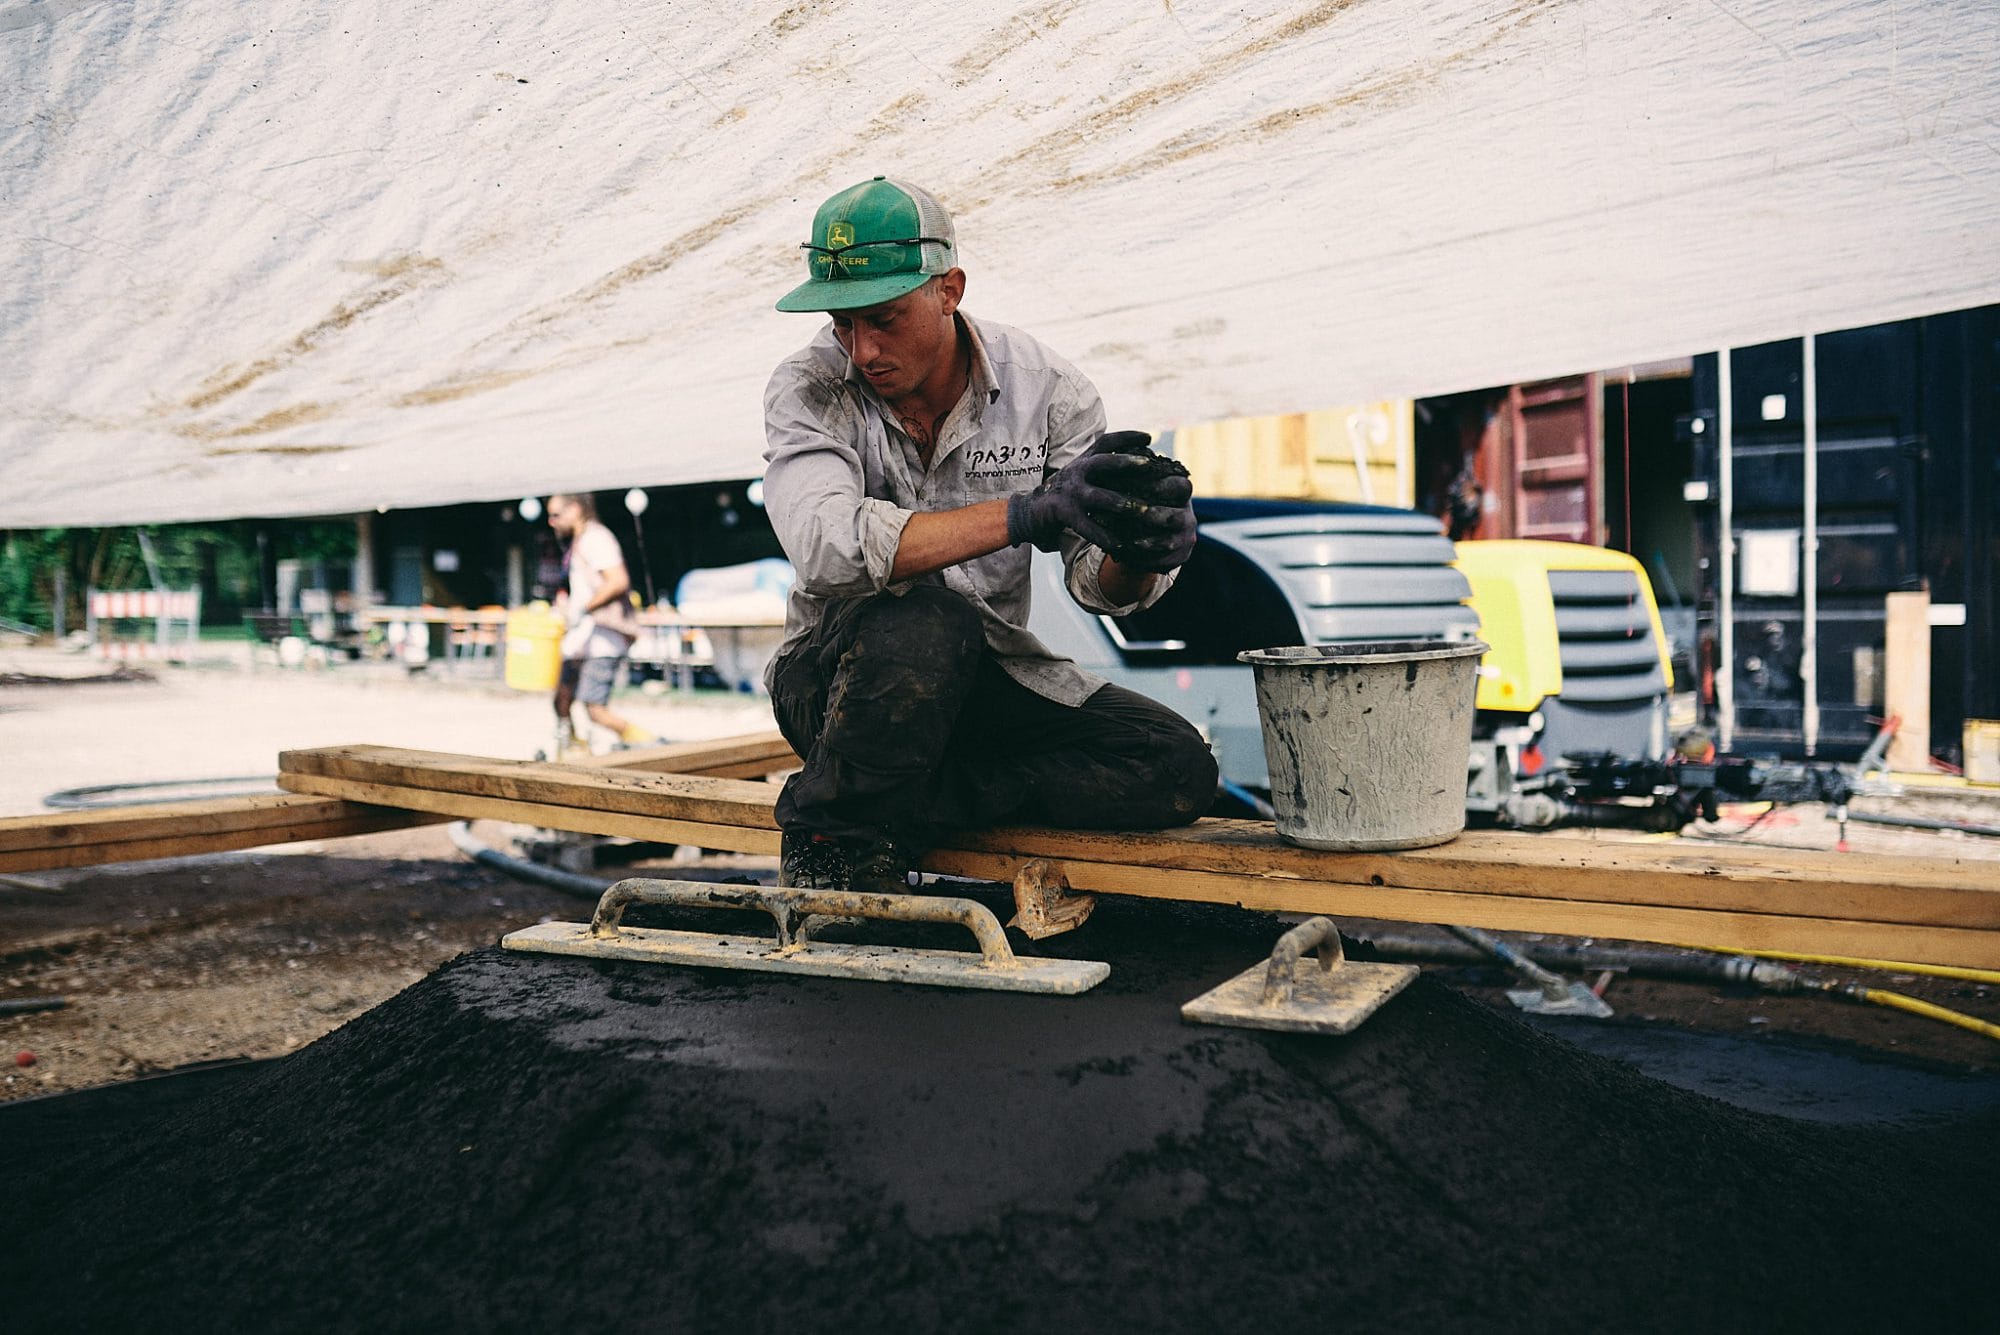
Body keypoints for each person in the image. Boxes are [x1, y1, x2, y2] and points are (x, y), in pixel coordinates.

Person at [762, 175, 1217, 894]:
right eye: (843, 324)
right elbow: (827, 547)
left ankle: (906, 802)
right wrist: (1024, 512)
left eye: (883, 318)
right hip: (833, 685)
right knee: (925, 617)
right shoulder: (809, 387)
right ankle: (833, 847)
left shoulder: (1048, 388)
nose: (862, 349)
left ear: (949, 289)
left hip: (986, 677)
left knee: (1175, 764)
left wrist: (1133, 551)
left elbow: (1096, 578)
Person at [545, 492, 658, 756]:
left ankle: (650, 743)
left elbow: (618, 581)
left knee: (594, 708)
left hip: (602, 639)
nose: (551, 522)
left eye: (556, 514)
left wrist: (582, 608)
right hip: (580, 638)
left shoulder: (597, 538)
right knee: (561, 699)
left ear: (574, 509)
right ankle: (570, 748)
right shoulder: (580, 540)